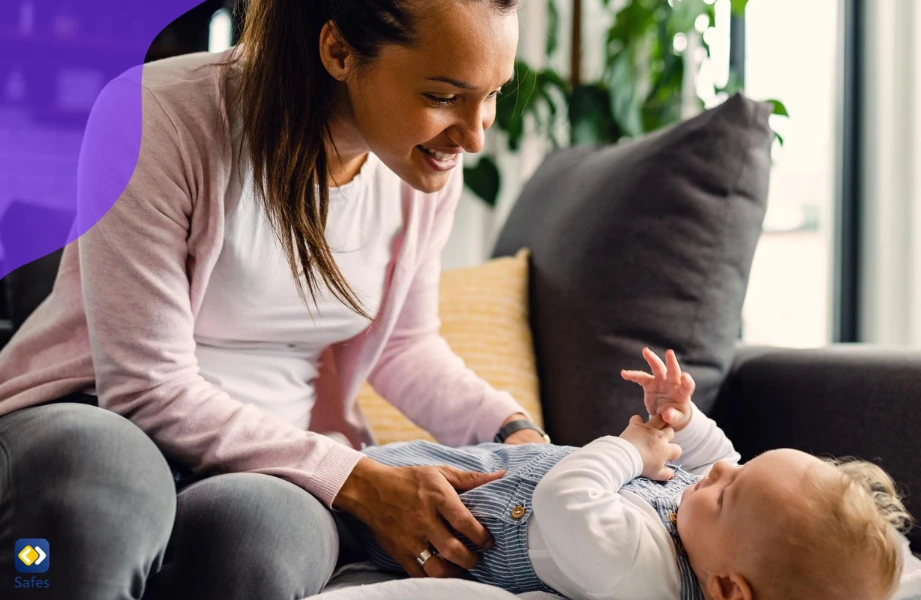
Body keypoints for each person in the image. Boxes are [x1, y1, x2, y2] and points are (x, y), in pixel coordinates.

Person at [0, 1, 548, 598]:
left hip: (279, 459)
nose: (473, 135)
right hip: (98, 412)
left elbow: (404, 347)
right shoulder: (155, 115)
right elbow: (145, 388)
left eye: (493, 94)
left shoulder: (422, 165)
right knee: (102, 478)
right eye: (444, 96)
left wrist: (514, 429)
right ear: (338, 51)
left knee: (261, 535)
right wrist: (360, 480)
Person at [352, 349, 914, 600]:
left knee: (342, 478)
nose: (718, 470)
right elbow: (720, 458)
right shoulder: (722, 540)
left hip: (431, 506)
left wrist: (632, 448)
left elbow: (563, 498)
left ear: (726, 590)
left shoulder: (641, 573)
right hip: (479, 464)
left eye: (726, 493)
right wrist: (682, 418)